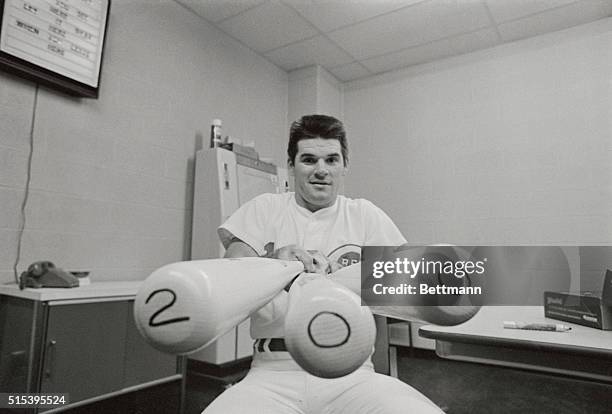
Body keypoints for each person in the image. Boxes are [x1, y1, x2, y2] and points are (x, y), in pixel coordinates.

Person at [204, 115, 443, 413]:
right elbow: (230, 275)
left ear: (345, 166)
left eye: (331, 160)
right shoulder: (266, 209)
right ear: (291, 165)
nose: (321, 170)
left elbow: (423, 283)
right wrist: (275, 262)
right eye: (308, 160)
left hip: (353, 373)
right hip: (274, 372)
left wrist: (342, 278)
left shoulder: (365, 215)